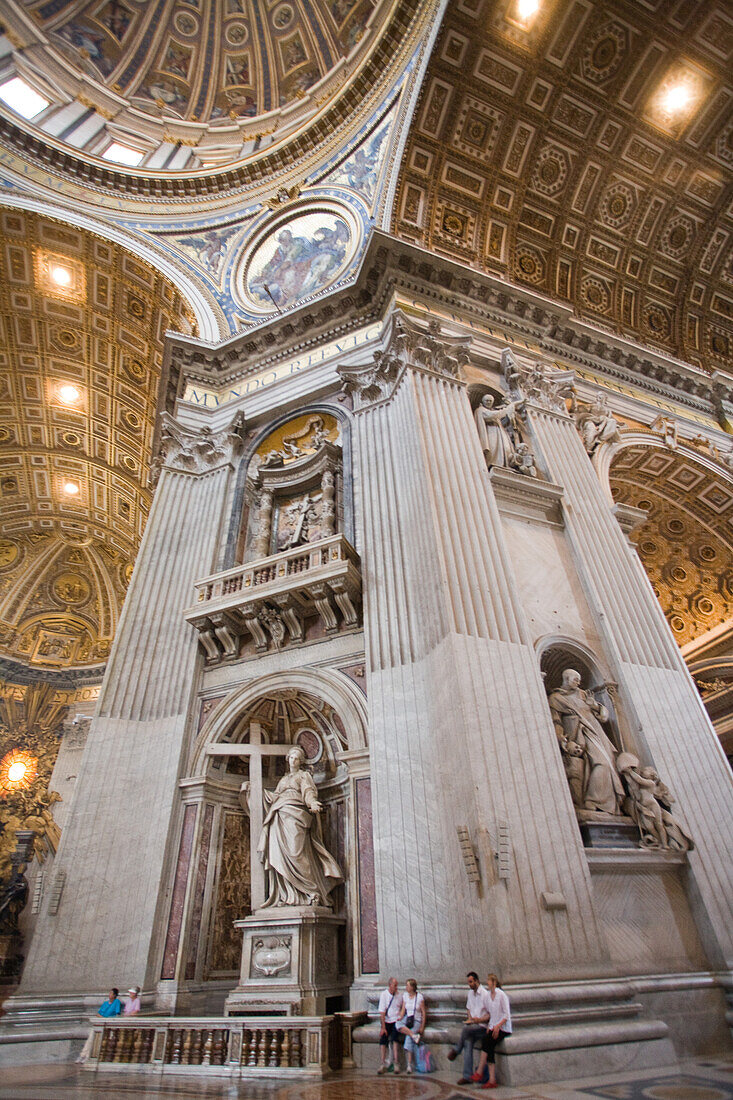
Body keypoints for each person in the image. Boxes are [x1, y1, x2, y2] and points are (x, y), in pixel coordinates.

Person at [258, 745, 343, 907]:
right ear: (287, 759)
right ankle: (287, 895)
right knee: (279, 854)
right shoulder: (283, 780)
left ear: (301, 761)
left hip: (296, 815)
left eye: (297, 758)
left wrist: (312, 802)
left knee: (296, 853)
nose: (293, 760)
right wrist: (256, 791)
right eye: (291, 757)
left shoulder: (304, 776)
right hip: (279, 816)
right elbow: (274, 797)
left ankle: (311, 891)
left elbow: (309, 791)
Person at [548, 669, 624, 815]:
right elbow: (555, 720)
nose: (578, 682)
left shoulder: (583, 694)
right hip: (577, 734)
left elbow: (604, 717)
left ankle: (608, 805)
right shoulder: (556, 698)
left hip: (596, 732)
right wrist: (559, 736)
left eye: (579, 679)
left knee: (608, 763)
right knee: (602, 763)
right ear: (566, 678)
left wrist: (593, 705)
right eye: (575, 679)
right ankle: (592, 800)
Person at [446, 971, 490, 1084]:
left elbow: (490, 1014)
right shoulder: (470, 993)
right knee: (468, 1042)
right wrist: (470, 1019)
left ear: (477, 981)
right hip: (473, 1026)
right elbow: (469, 1008)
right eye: (468, 982)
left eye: (471, 982)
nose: (469, 984)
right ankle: (467, 1076)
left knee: (465, 1030)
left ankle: (456, 1050)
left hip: (483, 1026)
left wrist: (478, 1020)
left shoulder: (485, 994)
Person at [470, 973, 512, 1089]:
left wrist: (497, 1026)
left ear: (494, 983)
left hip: (503, 1027)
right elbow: (490, 1013)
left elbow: (506, 1015)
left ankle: (481, 1072)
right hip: (494, 1025)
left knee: (488, 1041)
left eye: (489, 982)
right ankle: (490, 1078)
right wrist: (488, 1024)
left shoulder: (501, 995)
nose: (487, 984)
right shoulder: (488, 996)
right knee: (487, 1041)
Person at [75, 988, 122, 1064]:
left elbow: (117, 1014)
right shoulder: (105, 1003)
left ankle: (87, 1056)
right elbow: (98, 1014)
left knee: (95, 1039)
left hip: (108, 1024)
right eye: (109, 993)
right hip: (99, 1023)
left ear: (114, 995)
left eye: (111, 993)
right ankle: (83, 1055)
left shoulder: (116, 1002)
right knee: (91, 1038)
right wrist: (102, 1018)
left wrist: (105, 1018)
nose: (109, 995)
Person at [397, 978, 426, 1074]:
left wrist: (422, 1026)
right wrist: (400, 1017)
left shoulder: (419, 997)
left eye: (408, 985)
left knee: (408, 1039)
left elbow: (423, 1013)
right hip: (407, 1018)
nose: (406, 987)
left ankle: (409, 1065)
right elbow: (403, 1010)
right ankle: (413, 1035)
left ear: (412, 987)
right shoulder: (405, 996)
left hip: (416, 1020)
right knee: (398, 1024)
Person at [377, 976, 404, 1074]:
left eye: (397, 985)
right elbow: (382, 1012)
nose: (396, 987)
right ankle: (382, 1063)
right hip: (387, 1021)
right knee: (383, 1040)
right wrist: (383, 1027)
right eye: (395, 985)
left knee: (395, 1040)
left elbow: (402, 1007)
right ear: (390, 985)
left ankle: (396, 1062)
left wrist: (400, 1016)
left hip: (395, 1021)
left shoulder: (399, 995)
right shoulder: (384, 995)